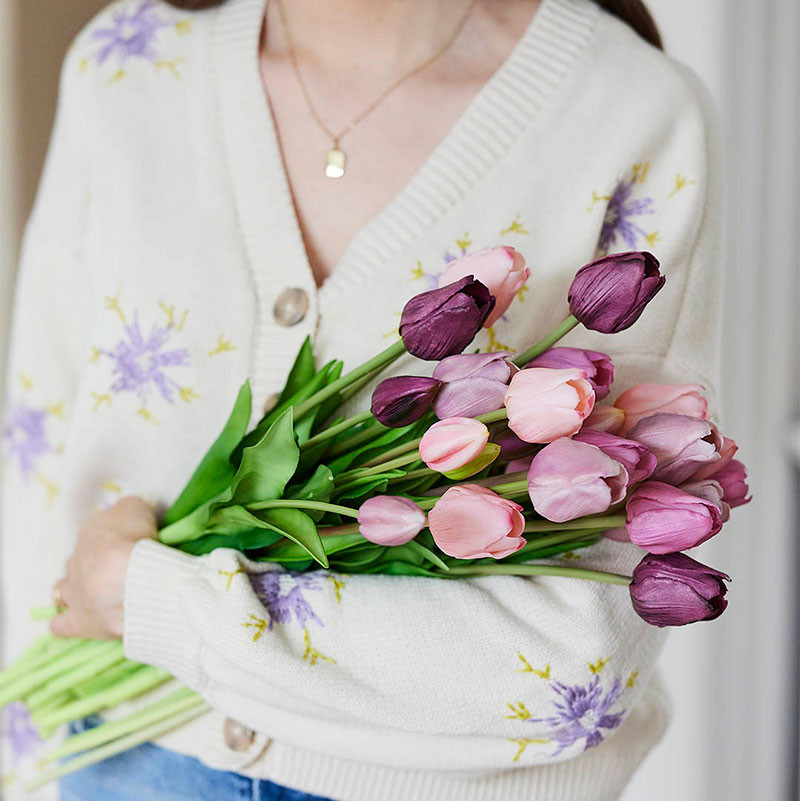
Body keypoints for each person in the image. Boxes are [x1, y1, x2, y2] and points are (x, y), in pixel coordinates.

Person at [1, 0, 723, 798]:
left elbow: (581, 663)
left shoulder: (629, 112)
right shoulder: (129, 67)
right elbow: (36, 472)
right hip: (116, 764)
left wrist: (159, 604)